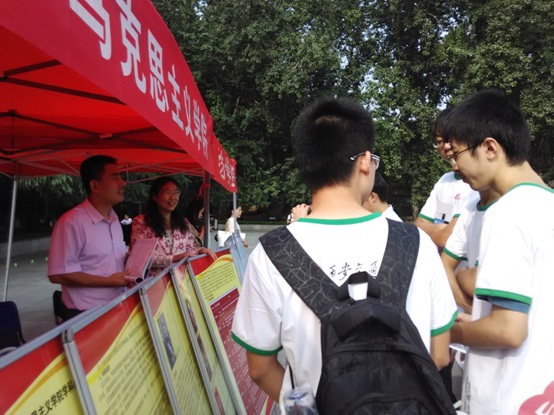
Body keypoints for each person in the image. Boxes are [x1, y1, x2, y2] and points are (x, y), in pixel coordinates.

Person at [231, 97, 457, 411]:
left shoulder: (271, 253)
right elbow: (440, 354)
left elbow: (259, 368)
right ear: (364, 162)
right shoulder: (415, 242)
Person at [442, 90, 554, 414]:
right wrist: (478, 319)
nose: (455, 166)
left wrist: (448, 331)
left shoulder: (507, 212)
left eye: (457, 154)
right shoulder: (546, 204)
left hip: (508, 398)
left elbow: (508, 329)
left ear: (490, 148)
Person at [48, 155, 130, 315]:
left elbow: (104, 260)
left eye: (121, 178)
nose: (123, 183)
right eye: (115, 178)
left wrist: (131, 257)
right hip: (86, 314)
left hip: (117, 307)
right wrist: (107, 282)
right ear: (95, 186)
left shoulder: (114, 220)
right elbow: (58, 274)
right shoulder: (71, 222)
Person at [130, 177, 216, 277]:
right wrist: (173, 258)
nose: (173, 198)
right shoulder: (141, 222)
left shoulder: (183, 223)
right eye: (167, 193)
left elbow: (190, 251)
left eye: (176, 193)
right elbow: (138, 257)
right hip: (152, 282)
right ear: (155, 196)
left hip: (178, 282)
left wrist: (200, 251)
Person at [415, 108, 476, 249]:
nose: (447, 147)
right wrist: (440, 230)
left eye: (451, 139)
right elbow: (418, 226)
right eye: (440, 141)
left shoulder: (477, 183)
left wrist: (437, 232)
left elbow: (449, 238)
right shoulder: (445, 181)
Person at [441, 188, 499, 313]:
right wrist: (466, 305)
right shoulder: (444, 184)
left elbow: (443, 236)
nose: (455, 167)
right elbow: (438, 229)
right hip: (467, 309)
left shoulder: (473, 193)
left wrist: (460, 273)